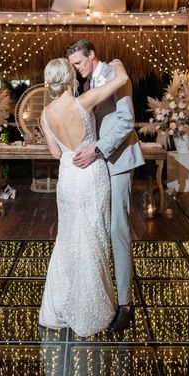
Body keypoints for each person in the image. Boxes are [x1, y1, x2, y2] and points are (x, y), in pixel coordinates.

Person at [39, 57, 129, 337]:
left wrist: (69, 150)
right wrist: (118, 63)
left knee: (68, 239)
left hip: (67, 178)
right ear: (70, 78)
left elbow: (55, 153)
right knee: (94, 238)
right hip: (90, 175)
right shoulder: (84, 101)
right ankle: (91, 310)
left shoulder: (44, 114)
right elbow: (122, 80)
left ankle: (62, 307)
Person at [66, 39, 144, 332]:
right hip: (97, 163)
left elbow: (126, 121)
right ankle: (104, 294)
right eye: (73, 64)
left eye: (79, 63)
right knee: (98, 226)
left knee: (117, 229)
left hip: (119, 159)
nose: (76, 68)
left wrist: (96, 150)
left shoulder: (114, 73)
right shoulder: (84, 83)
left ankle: (126, 304)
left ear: (92, 56)